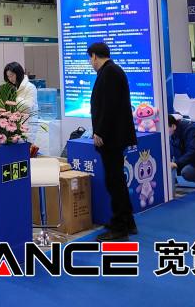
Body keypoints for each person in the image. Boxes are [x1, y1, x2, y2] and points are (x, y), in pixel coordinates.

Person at [87, 42, 138, 241]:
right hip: (114, 135)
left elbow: (109, 106)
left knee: (114, 181)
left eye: (90, 59)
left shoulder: (110, 72)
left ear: (94, 56)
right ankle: (127, 221)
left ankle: (120, 227)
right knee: (116, 180)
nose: (90, 63)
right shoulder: (112, 71)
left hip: (112, 137)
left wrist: (99, 131)